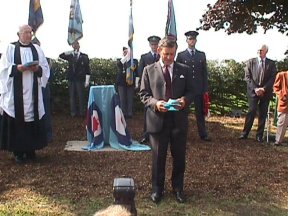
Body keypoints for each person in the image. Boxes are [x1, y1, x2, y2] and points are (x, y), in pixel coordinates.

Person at [139, 37, 193, 203]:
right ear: (159, 51)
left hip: (178, 121)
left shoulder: (184, 69)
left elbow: (192, 91)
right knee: (158, 157)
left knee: (179, 157)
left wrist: (184, 100)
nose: (169, 57)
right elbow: (143, 94)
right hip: (158, 120)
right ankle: (157, 189)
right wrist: (156, 103)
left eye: (172, 54)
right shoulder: (149, 70)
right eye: (166, 54)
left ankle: (178, 188)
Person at [0, 24, 50, 164]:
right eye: (26, 32)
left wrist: (37, 69)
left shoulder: (37, 49)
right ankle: (18, 152)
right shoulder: (10, 49)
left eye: (30, 32)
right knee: (18, 120)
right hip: (16, 94)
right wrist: (18, 68)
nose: (29, 35)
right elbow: (3, 69)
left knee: (33, 118)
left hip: (33, 92)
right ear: (19, 34)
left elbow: (45, 68)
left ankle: (31, 149)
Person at [176, 30, 211, 142]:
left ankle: (203, 134)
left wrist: (205, 89)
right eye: (190, 39)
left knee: (200, 113)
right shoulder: (181, 55)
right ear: (186, 40)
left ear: (196, 40)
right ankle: (181, 134)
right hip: (186, 89)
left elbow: (204, 73)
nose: (192, 41)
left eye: (194, 39)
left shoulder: (201, 55)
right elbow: (177, 71)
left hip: (199, 89)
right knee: (183, 112)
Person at [239, 44, 277, 142]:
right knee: (251, 111)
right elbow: (247, 77)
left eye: (261, 50)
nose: (259, 52)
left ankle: (259, 136)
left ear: (266, 51)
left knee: (263, 113)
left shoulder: (271, 64)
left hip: (265, 92)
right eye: (258, 50)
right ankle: (245, 133)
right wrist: (256, 89)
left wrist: (263, 89)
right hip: (253, 92)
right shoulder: (250, 62)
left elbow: (272, 78)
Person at [138, 35, 161, 143]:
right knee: (147, 111)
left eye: (156, 44)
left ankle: (159, 133)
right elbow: (140, 72)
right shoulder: (144, 57)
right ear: (149, 45)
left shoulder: (162, 56)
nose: (154, 46)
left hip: (159, 88)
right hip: (148, 87)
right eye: (152, 44)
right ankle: (146, 134)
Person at [59, 41, 90, 117]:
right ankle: (73, 113)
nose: (75, 46)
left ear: (79, 45)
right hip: (72, 79)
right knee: (72, 97)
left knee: (80, 96)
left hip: (80, 79)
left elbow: (87, 69)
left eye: (76, 44)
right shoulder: (70, 56)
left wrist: (87, 81)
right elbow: (61, 55)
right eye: (73, 45)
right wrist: (71, 51)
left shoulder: (84, 56)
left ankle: (82, 113)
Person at [116, 47, 138, 119]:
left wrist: (137, 83)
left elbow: (136, 72)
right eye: (124, 52)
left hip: (130, 82)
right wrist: (126, 57)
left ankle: (129, 113)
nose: (126, 53)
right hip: (121, 83)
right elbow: (119, 64)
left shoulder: (134, 61)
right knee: (122, 99)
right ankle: (123, 113)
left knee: (130, 98)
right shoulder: (120, 60)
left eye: (127, 52)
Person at [273, 70, 288, 146]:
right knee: (282, 122)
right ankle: (278, 141)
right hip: (285, 103)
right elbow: (276, 88)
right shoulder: (282, 75)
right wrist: (282, 95)